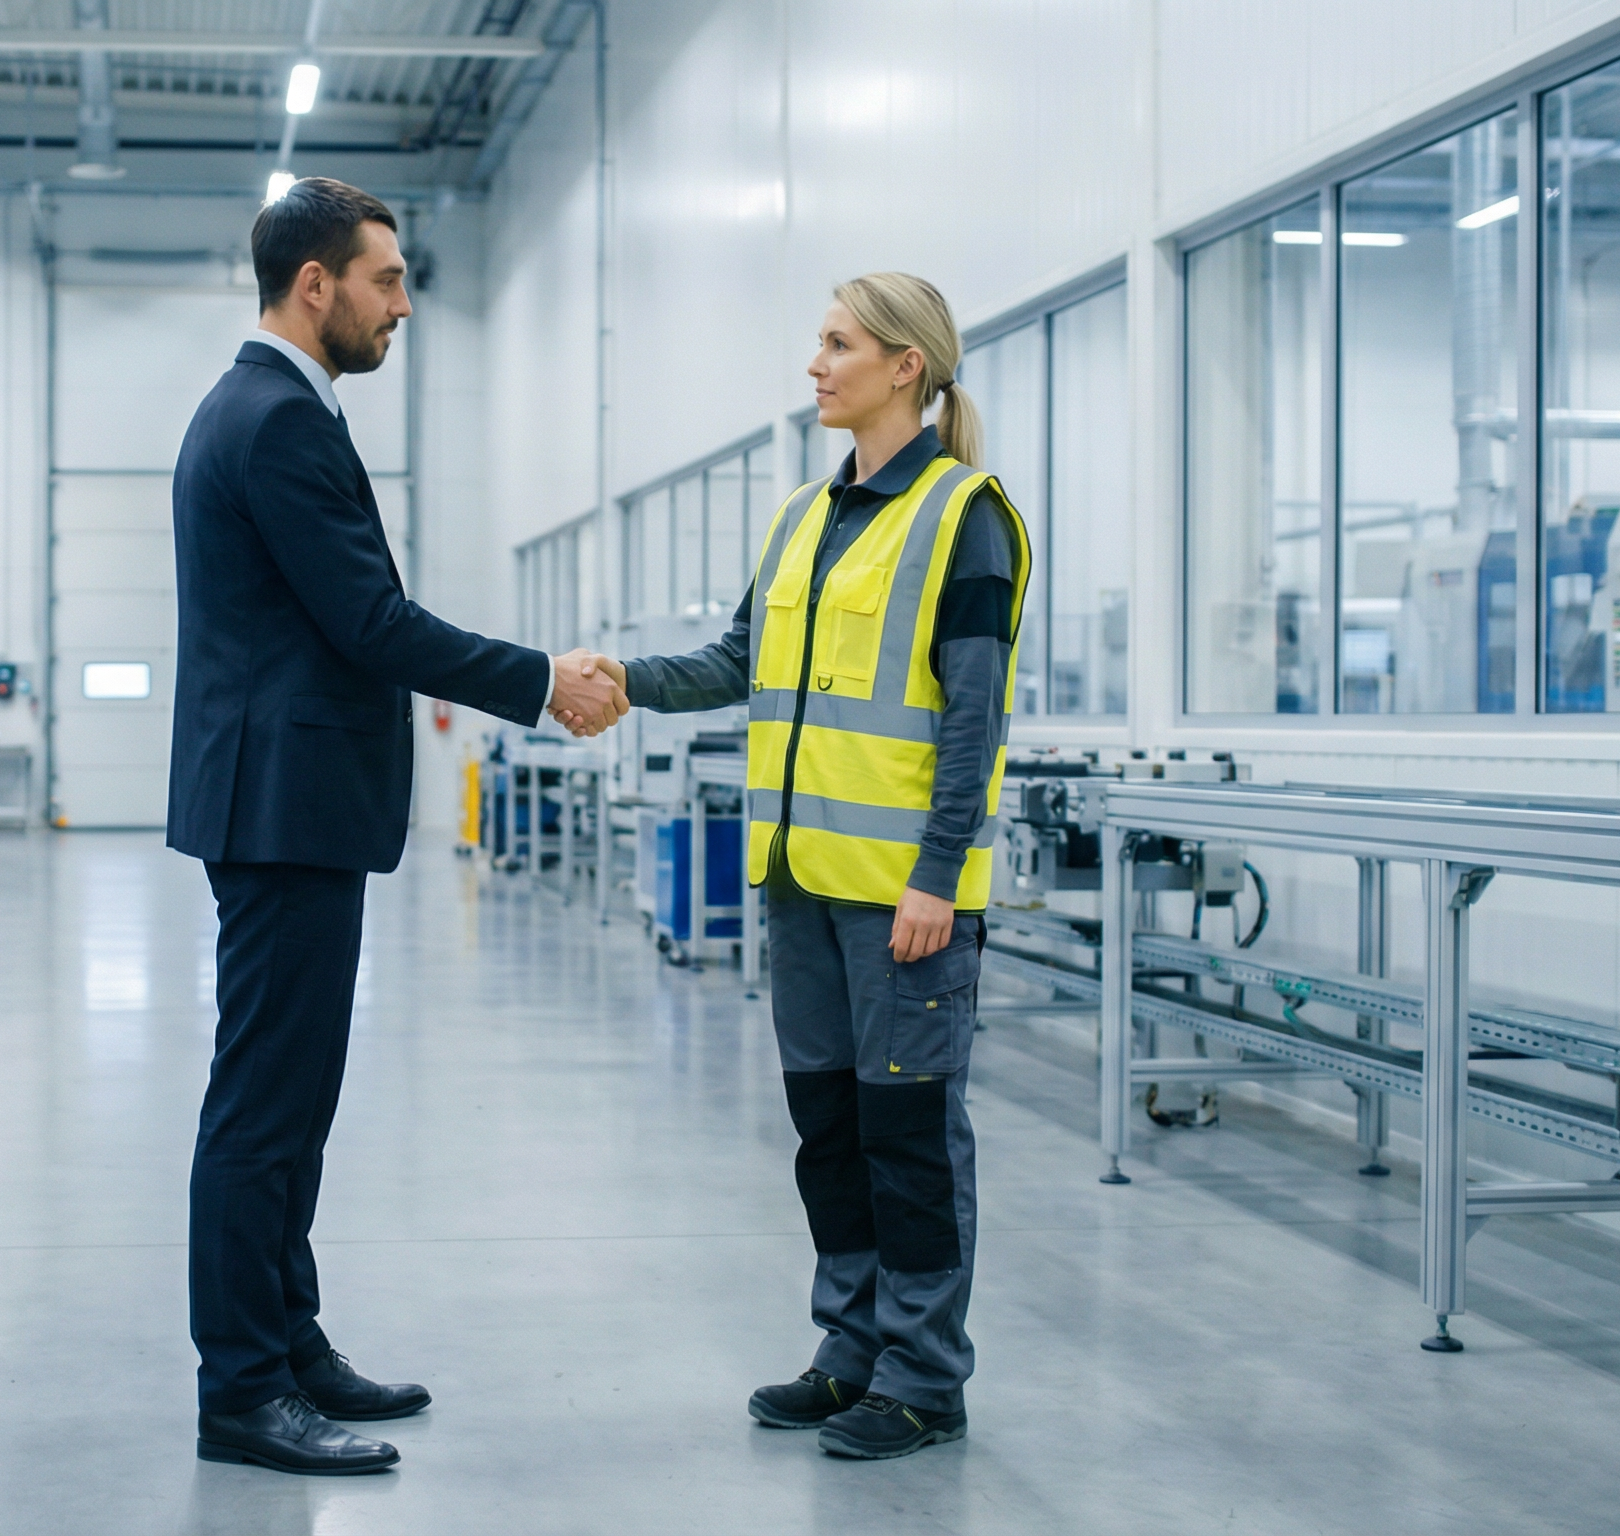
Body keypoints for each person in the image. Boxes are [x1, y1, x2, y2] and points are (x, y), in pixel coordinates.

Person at [167, 176, 628, 1477]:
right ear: (314, 285)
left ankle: (288, 1342)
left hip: (288, 806)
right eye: (386, 279)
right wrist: (544, 681)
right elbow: (370, 624)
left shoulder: (271, 411)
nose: (403, 305)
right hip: (283, 811)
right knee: (263, 1108)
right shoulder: (270, 422)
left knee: (290, 1102)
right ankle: (242, 1389)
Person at [588, 272, 1028, 1461]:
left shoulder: (962, 516)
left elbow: (973, 722)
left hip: (902, 899)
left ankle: (925, 1376)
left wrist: (939, 874)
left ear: (905, 366)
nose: (814, 364)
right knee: (827, 1127)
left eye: (836, 344)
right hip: (798, 885)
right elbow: (740, 658)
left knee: (910, 1133)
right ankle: (850, 1353)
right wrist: (625, 682)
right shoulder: (803, 515)